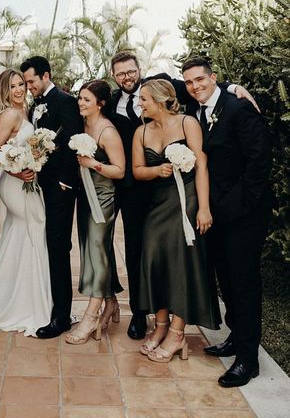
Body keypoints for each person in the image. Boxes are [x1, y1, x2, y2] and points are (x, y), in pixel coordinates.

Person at [106, 50, 256, 340]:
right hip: (137, 194)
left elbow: (200, 84)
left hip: (181, 194)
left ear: (140, 70)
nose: (127, 77)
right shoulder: (113, 102)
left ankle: (174, 328)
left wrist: (231, 87)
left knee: (179, 257)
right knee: (141, 253)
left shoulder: (165, 88)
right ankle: (140, 312)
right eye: (121, 73)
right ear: (114, 76)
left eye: (131, 71)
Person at [182, 57, 272, 387]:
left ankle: (248, 360)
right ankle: (236, 337)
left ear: (214, 78)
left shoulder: (237, 109)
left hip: (244, 214)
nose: (195, 86)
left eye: (200, 80)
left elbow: (259, 161)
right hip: (216, 213)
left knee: (244, 283)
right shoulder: (197, 108)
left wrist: (240, 206)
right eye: (189, 82)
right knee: (227, 280)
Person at [132, 79, 221, 363]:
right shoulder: (141, 131)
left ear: (159, 100)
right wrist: (157, 170)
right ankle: (159, 327)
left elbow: (202, 165)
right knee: (156, 260)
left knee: (181, 264)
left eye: (144, 99)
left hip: (188, 202)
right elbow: (137, 171)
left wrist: (203, 207)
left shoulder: (187, 124)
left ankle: (177, 332)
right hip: (157, 205)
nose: (140, 103)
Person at [0, 69, 52, 336]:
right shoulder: (9, 114)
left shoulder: (27, 111)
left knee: (23, 233)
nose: (19, 90)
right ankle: (19, 303)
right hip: (13, 182)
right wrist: (17, 170)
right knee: (33, 226)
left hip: (27, 180)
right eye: (13, 86)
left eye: (21, 84)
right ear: (4, 90)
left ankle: (23, 297)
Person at [20, 56, 83, 338]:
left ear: (46, 76)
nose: (28, 86)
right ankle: (45, 303)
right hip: (38, 185)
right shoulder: (35, 105)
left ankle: (61, 316)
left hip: (59, 187)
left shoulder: (66, 101)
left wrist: (62, 182)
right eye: (25, 82)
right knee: (43, 244)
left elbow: (71, 142)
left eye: (31, 81)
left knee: (58, 247)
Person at [65, 80, 125, 345]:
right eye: (80, 98)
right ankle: (111, 302)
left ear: (100, 103)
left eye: (86, 99)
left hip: (102, 197)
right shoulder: (82, 125)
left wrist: (93, 164)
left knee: (98, 250)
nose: (80, 103)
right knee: (91, 248)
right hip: (84, 196)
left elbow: (120, 170)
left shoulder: (107, 131)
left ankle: (91, 315)